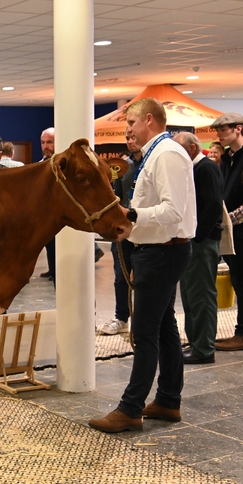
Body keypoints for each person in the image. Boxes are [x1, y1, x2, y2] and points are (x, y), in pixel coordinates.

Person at [89, 98, 195, 433]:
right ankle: (167, 400)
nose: (128, 131)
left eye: (131, 124)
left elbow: (172, 211)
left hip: (164, 252)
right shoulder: (157, 154)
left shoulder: (166, 155)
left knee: (145, 333)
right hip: (156, 250)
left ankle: (130, 408)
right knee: (164, 329)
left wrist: (131, 215)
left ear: (149, 119)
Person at [211, 113, 243, 352]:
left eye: (224, 130)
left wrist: (228, 221)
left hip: (239, 230)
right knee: (240, 279)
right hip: (232, 228)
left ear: (238, 129)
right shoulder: (231, 157)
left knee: (241, 281)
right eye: (218, 130)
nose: (219, 134)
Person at [173, 132, 224, 364]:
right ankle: (195, 342)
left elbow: (213, 205)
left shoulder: (206, 168)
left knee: (201, 295)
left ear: (192, 148)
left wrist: (198, 237)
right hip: (194, 241)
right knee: (191, 295)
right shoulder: (194, 168)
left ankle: (203, 348)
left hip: (202, 242)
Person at [99, 130, 140, 335]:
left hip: (147, 227)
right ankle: (121, 317)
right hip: (125, 228)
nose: (131, 142)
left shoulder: (152, 163)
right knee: (120, 275)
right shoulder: (124, 166)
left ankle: (142, 320)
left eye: (134, 138)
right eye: (128, 139)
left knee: (143, 276)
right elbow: (116, 196)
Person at [39, 128, 57, 280]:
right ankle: (52, 270)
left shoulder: (64, 165)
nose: (46, 146)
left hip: (62, 219)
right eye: (43, 143)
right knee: (50, 247)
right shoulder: (40, 165)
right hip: (45, 218)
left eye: (49, 142)